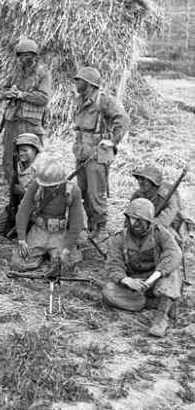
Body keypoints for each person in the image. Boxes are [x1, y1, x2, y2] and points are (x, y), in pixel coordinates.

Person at [102, 198, 182, 338]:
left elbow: (174, 253)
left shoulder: (160, 233)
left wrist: (154, 277)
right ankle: (155, 303)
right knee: (108, 292)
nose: (135, 224)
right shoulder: (120, 238)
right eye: (132, 219)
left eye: (140, 220)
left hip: (157, 279)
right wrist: (126, 280)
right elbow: (113, 265)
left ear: (148, 221)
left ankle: (162, 318)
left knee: (173, 270)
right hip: (135, 284)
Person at [72, 66, 130, 243]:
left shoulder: (103, 100)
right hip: (82, 150)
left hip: (97, 154)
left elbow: (123, 119)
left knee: (97, 193)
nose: (76, 83)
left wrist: (113, 140)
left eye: (79, 80)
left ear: (89, 84)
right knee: (83, 191)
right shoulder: (81, 99)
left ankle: (102, 228)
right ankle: (91, 225)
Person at [10, 158, 83, 273]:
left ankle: (52, 257)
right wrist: (22, 239)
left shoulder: (73, 191)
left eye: (52, 186)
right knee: (18, 264)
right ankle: (42, 257)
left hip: (60, 232)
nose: (48, 188)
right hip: (39, 230)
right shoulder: (36, 185)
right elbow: (23, 211)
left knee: (66, 268)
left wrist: (67, 248)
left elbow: (76, 222)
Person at [0, 38, 50, 183]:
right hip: (12, 121)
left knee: (30, 156)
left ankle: (30, 187)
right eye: (22, 55)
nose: (24, 58)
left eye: (28, 55)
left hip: (30, 124)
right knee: (9, 156)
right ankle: (11, 188)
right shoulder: (15, 73)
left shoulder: (42, 74)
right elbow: (3, 90)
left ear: (35, 56)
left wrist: (22, 95)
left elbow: (44, 97)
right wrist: (8, 93)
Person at [0, 133, 43, 236]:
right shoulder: (19, 165)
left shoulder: (43, 168)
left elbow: (46, 197)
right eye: (20, 150)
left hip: (36, 211)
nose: (21, 153)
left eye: (25, 150)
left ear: (34, 150)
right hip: (18, 206)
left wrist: (24, 193)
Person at [130, 165, 191, 247]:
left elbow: (164, 221)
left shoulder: (169, 196)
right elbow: (129, 218)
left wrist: (145, 226)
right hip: (145, 227)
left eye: (144, 179)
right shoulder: (137, 195)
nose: (140, 182)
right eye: (139, 178)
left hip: (168, 227)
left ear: (154, 182)